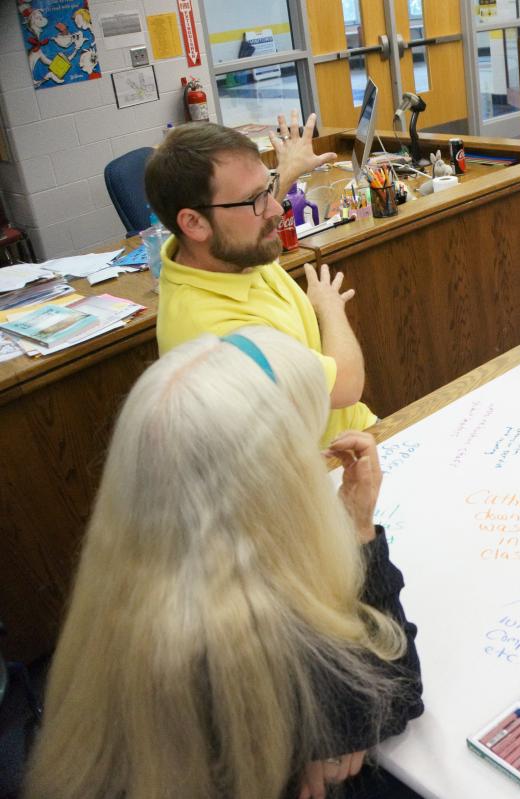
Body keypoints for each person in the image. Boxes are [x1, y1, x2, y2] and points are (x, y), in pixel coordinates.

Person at [24, 326, 423, 799]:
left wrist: (335, 725)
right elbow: (398, 692)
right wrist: (359, 531)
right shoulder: (265, 636)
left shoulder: (118, 593)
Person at [146, 112, 374, 445]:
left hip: (358, 435)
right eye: (258, 199)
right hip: (325, 470)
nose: (276, 210)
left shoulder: (225, 249)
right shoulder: (218, 336)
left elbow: (239, 203)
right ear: (194, 224)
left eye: (268, 188)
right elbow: (347, 385)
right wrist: (329, 307)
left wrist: (288, 169)